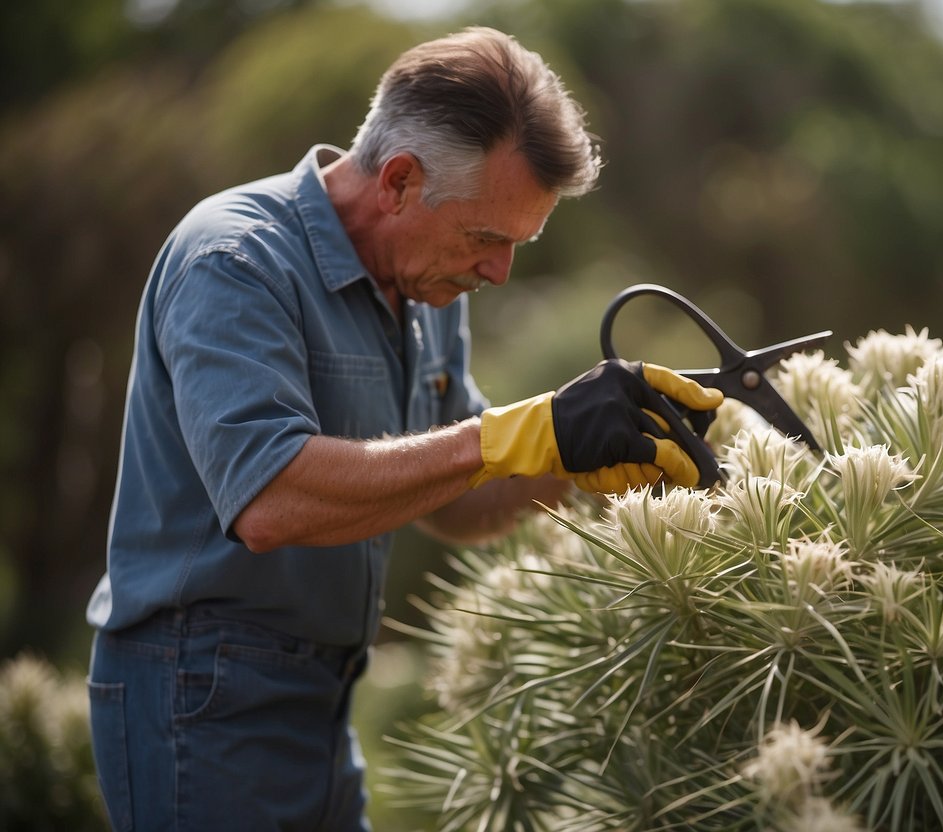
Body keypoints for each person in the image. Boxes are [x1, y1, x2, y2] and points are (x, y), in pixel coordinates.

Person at [85, 26, 722, 831]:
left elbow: (453, 500)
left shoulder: (425, 288)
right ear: (396, 181)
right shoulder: (236, 261)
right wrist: (516, 433)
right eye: (487, 238)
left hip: (320, 698)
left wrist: (585, 455)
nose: (497, 272)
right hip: (198, 693)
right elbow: (270, 499)